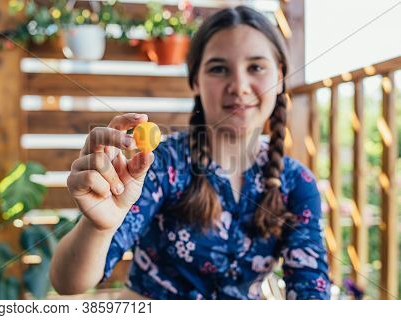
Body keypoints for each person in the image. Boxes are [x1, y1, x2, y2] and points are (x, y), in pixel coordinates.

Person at [50, 5, 331, 300]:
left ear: (280, 77)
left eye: (256, 67)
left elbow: (312, 292)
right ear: (195, 80)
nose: (239, 86)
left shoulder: (297, 182)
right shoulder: (156, 166)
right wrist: (98, 226)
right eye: (219, 68)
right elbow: (67, 283)